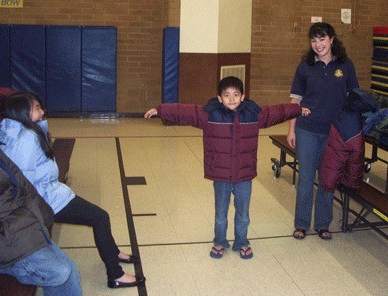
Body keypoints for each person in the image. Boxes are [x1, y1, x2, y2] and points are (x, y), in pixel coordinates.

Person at [0, 92, 145, 289]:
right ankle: (116, 275)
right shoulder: (26, 138)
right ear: (23, 113)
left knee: (100, 217)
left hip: (50, 191)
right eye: (37, 108)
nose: (43, 111)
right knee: (100, 217)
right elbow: (24, 182)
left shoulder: (19, 132)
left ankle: (112, 251)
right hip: (45, 200)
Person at [144, 76, 306, 259]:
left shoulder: (253, 114)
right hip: (220, 175)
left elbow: (277, 112)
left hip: (244, 175)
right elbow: (184, 111)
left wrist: (298, 109)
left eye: (236, 94)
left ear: (243, 96)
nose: (231, 99)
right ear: (219, 98)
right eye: (227, 95)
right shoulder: (209, 114)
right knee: (220, 213)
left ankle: (242, 242)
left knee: (243, 213)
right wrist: (160, 110)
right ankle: (220, 242)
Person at [0, 96, 82, 296]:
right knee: (62, 272)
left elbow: (23, 184)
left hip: (23, 224)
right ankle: (10, 267)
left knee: (71, 270)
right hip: (5, 244)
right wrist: (24, 223)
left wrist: (40, 214)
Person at [288, 22, 359, 240]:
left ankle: (322, 224)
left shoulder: (345, 65)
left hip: (334, 133)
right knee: (307, 179)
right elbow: (295, 100)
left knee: (328, 179)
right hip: (307, 130)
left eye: (322, 39)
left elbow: (354, 98)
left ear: (331, 39)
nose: (318, 44)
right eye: (314, 40)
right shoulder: (305, 66)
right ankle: (301, 224)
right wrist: (291, 130)